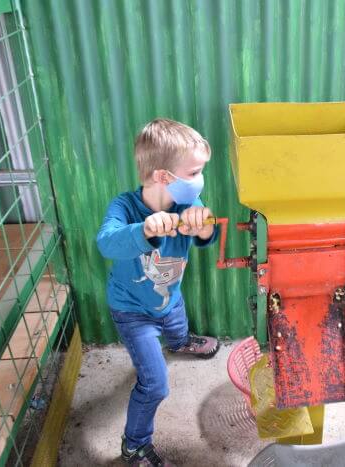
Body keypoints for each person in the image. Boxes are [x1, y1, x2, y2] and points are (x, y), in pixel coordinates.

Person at [96, 118, 219, 466]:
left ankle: (179, 343)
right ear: (164, 177)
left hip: (169, 296)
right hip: (132, 311)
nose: (200, 180)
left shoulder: (187, 202)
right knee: (155, 385)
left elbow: (206, 239)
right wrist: (144, 230)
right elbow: (107, 243)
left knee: (176, 322)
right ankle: (134, 445)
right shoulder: (123, 208)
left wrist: (205, 227)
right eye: (195, 172)